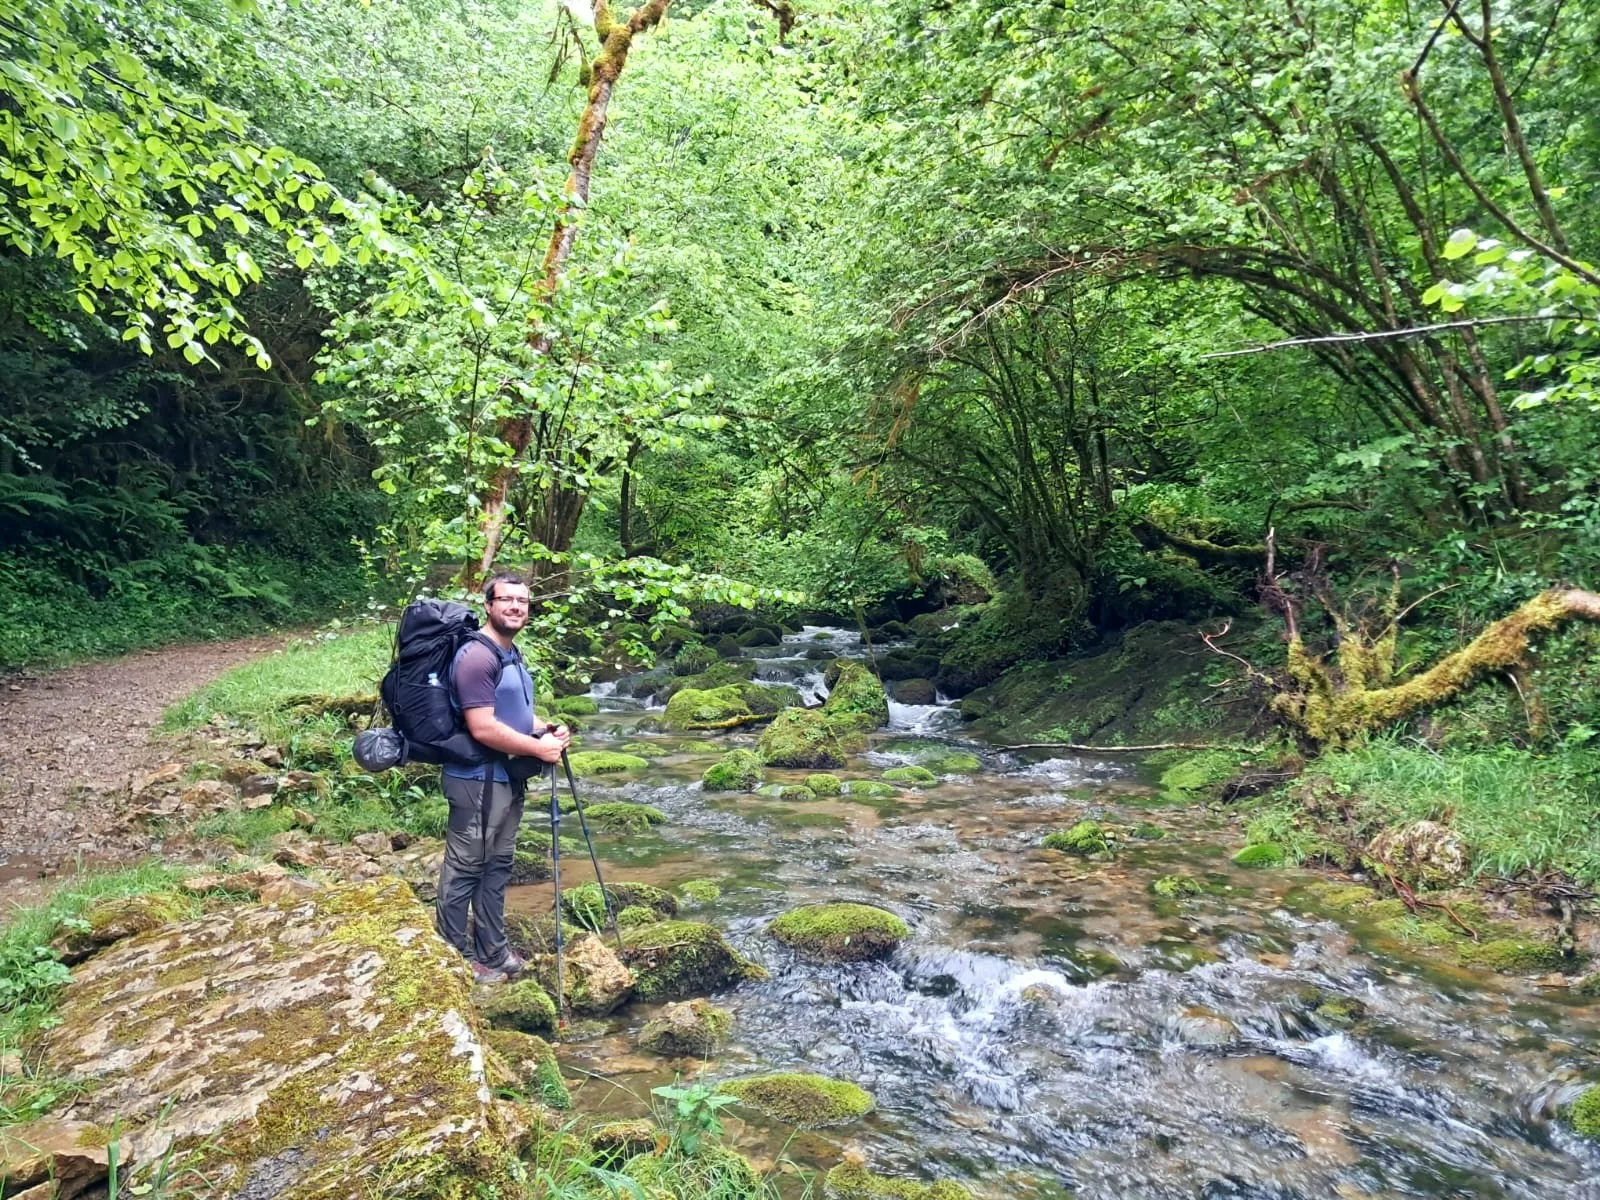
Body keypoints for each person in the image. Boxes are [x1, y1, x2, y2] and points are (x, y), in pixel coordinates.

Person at [437, 571, 570, 984]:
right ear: (489, 605)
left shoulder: (510, 654)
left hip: (503, 778)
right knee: (465, 867)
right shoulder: (477, 657)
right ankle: (454, 956)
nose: (516, 607)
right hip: (475, 779)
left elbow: (510, 714)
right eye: (507, 600)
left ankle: (492, 950)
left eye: (523, 602)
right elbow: (482, 727)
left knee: (497, 865)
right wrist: (537, 750)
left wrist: (546, 729)